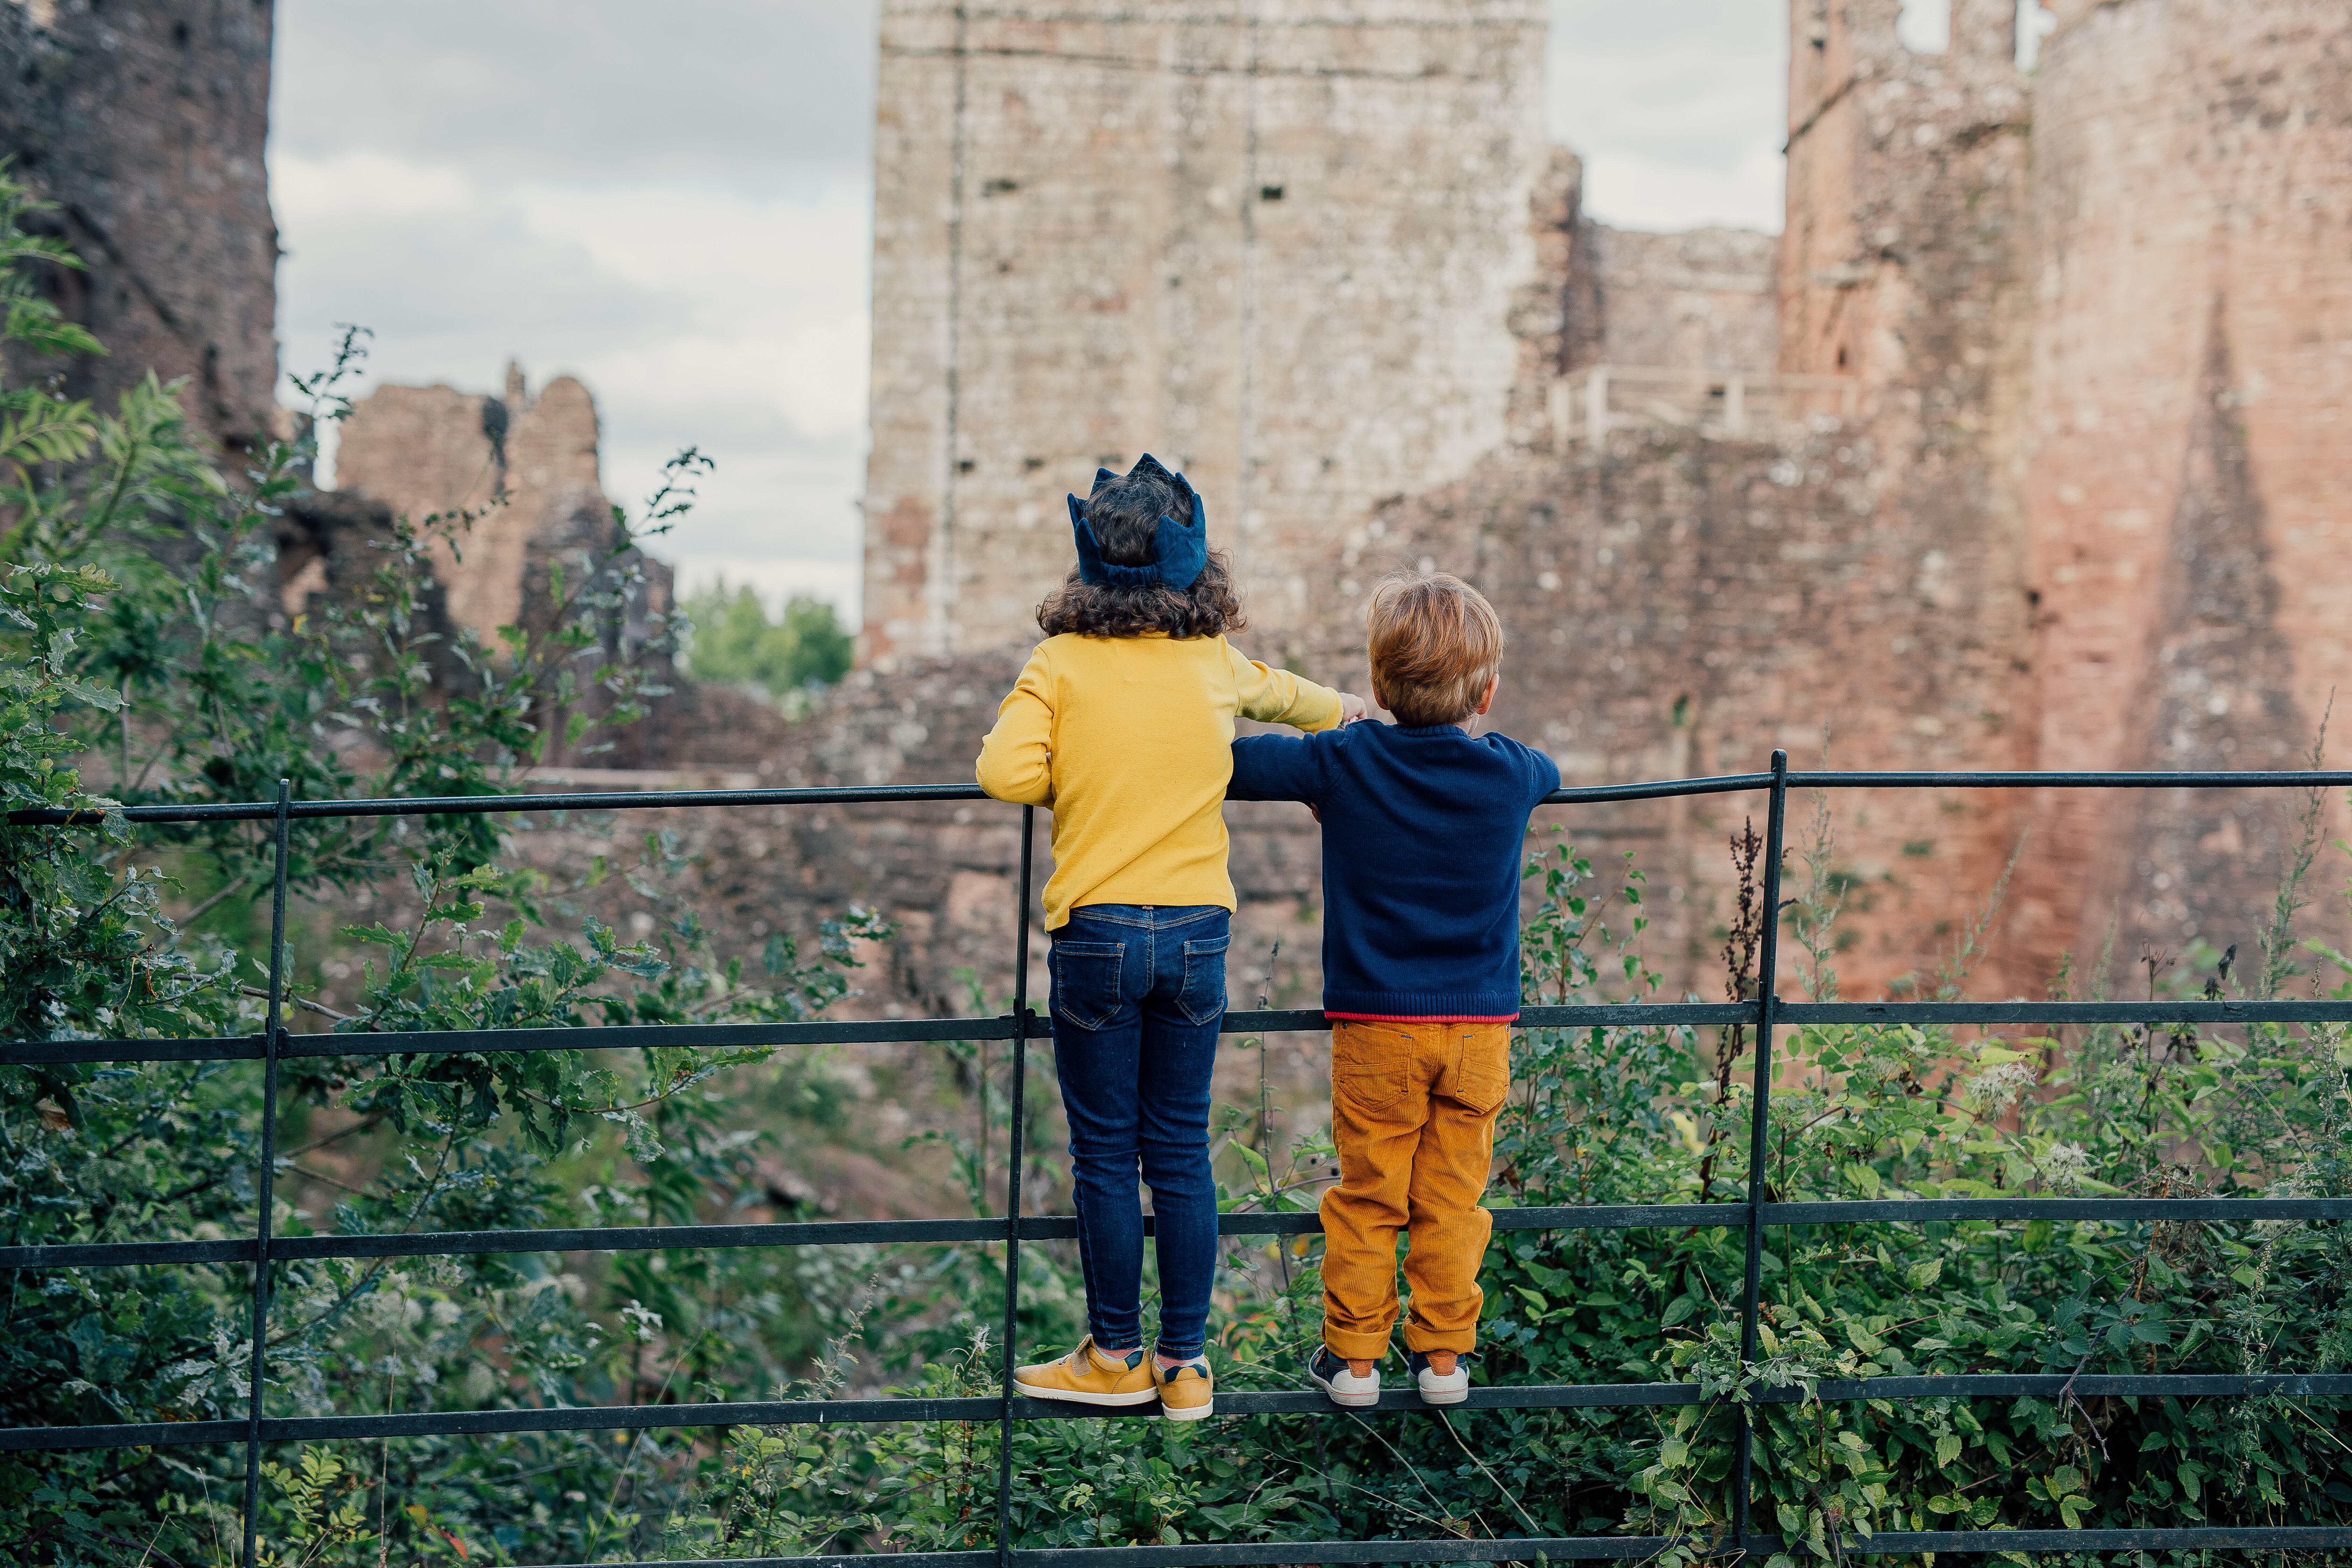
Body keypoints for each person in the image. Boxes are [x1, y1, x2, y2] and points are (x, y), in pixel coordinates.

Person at [976, 454, 1366, 1421]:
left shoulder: (1060, 664)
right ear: (1196, 571)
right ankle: (1186, 1366)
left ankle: (1113, 1359)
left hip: (1098, 931)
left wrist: (1084, 765)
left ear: (1088, 571)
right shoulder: (1212, 664)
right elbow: (1303, 703)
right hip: (1197, 931)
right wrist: (1365, 712)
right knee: (1181, 1151)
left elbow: (1005, 773)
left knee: (1106, 1155)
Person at [1227, 572, 1557, 1407]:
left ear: (1376, 685)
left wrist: (1338, 743)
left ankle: (1355, 1360)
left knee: (1369, 1193)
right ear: (1487, 690)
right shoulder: (1511, 773)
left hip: (1377, 1023)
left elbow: (1232, 765)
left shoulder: (1343, 760)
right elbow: (1546, 770)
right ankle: (1444, 1358)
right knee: (1455, 1196)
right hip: (1481, 1027)